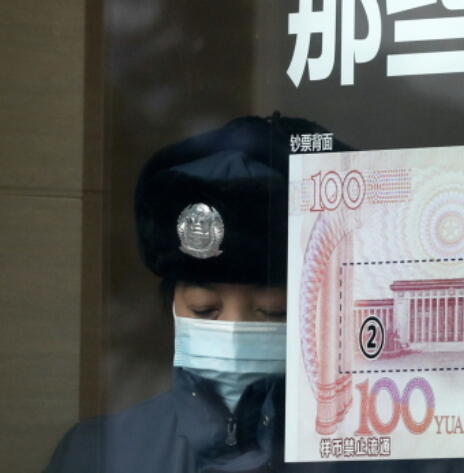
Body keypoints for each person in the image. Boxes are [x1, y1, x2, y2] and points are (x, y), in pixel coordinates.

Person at [44, 114, 349, 473]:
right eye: (204, 309)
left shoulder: (377, 455)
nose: (234, 335)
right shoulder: (100, 454)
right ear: (172, 304)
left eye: (272, 311)